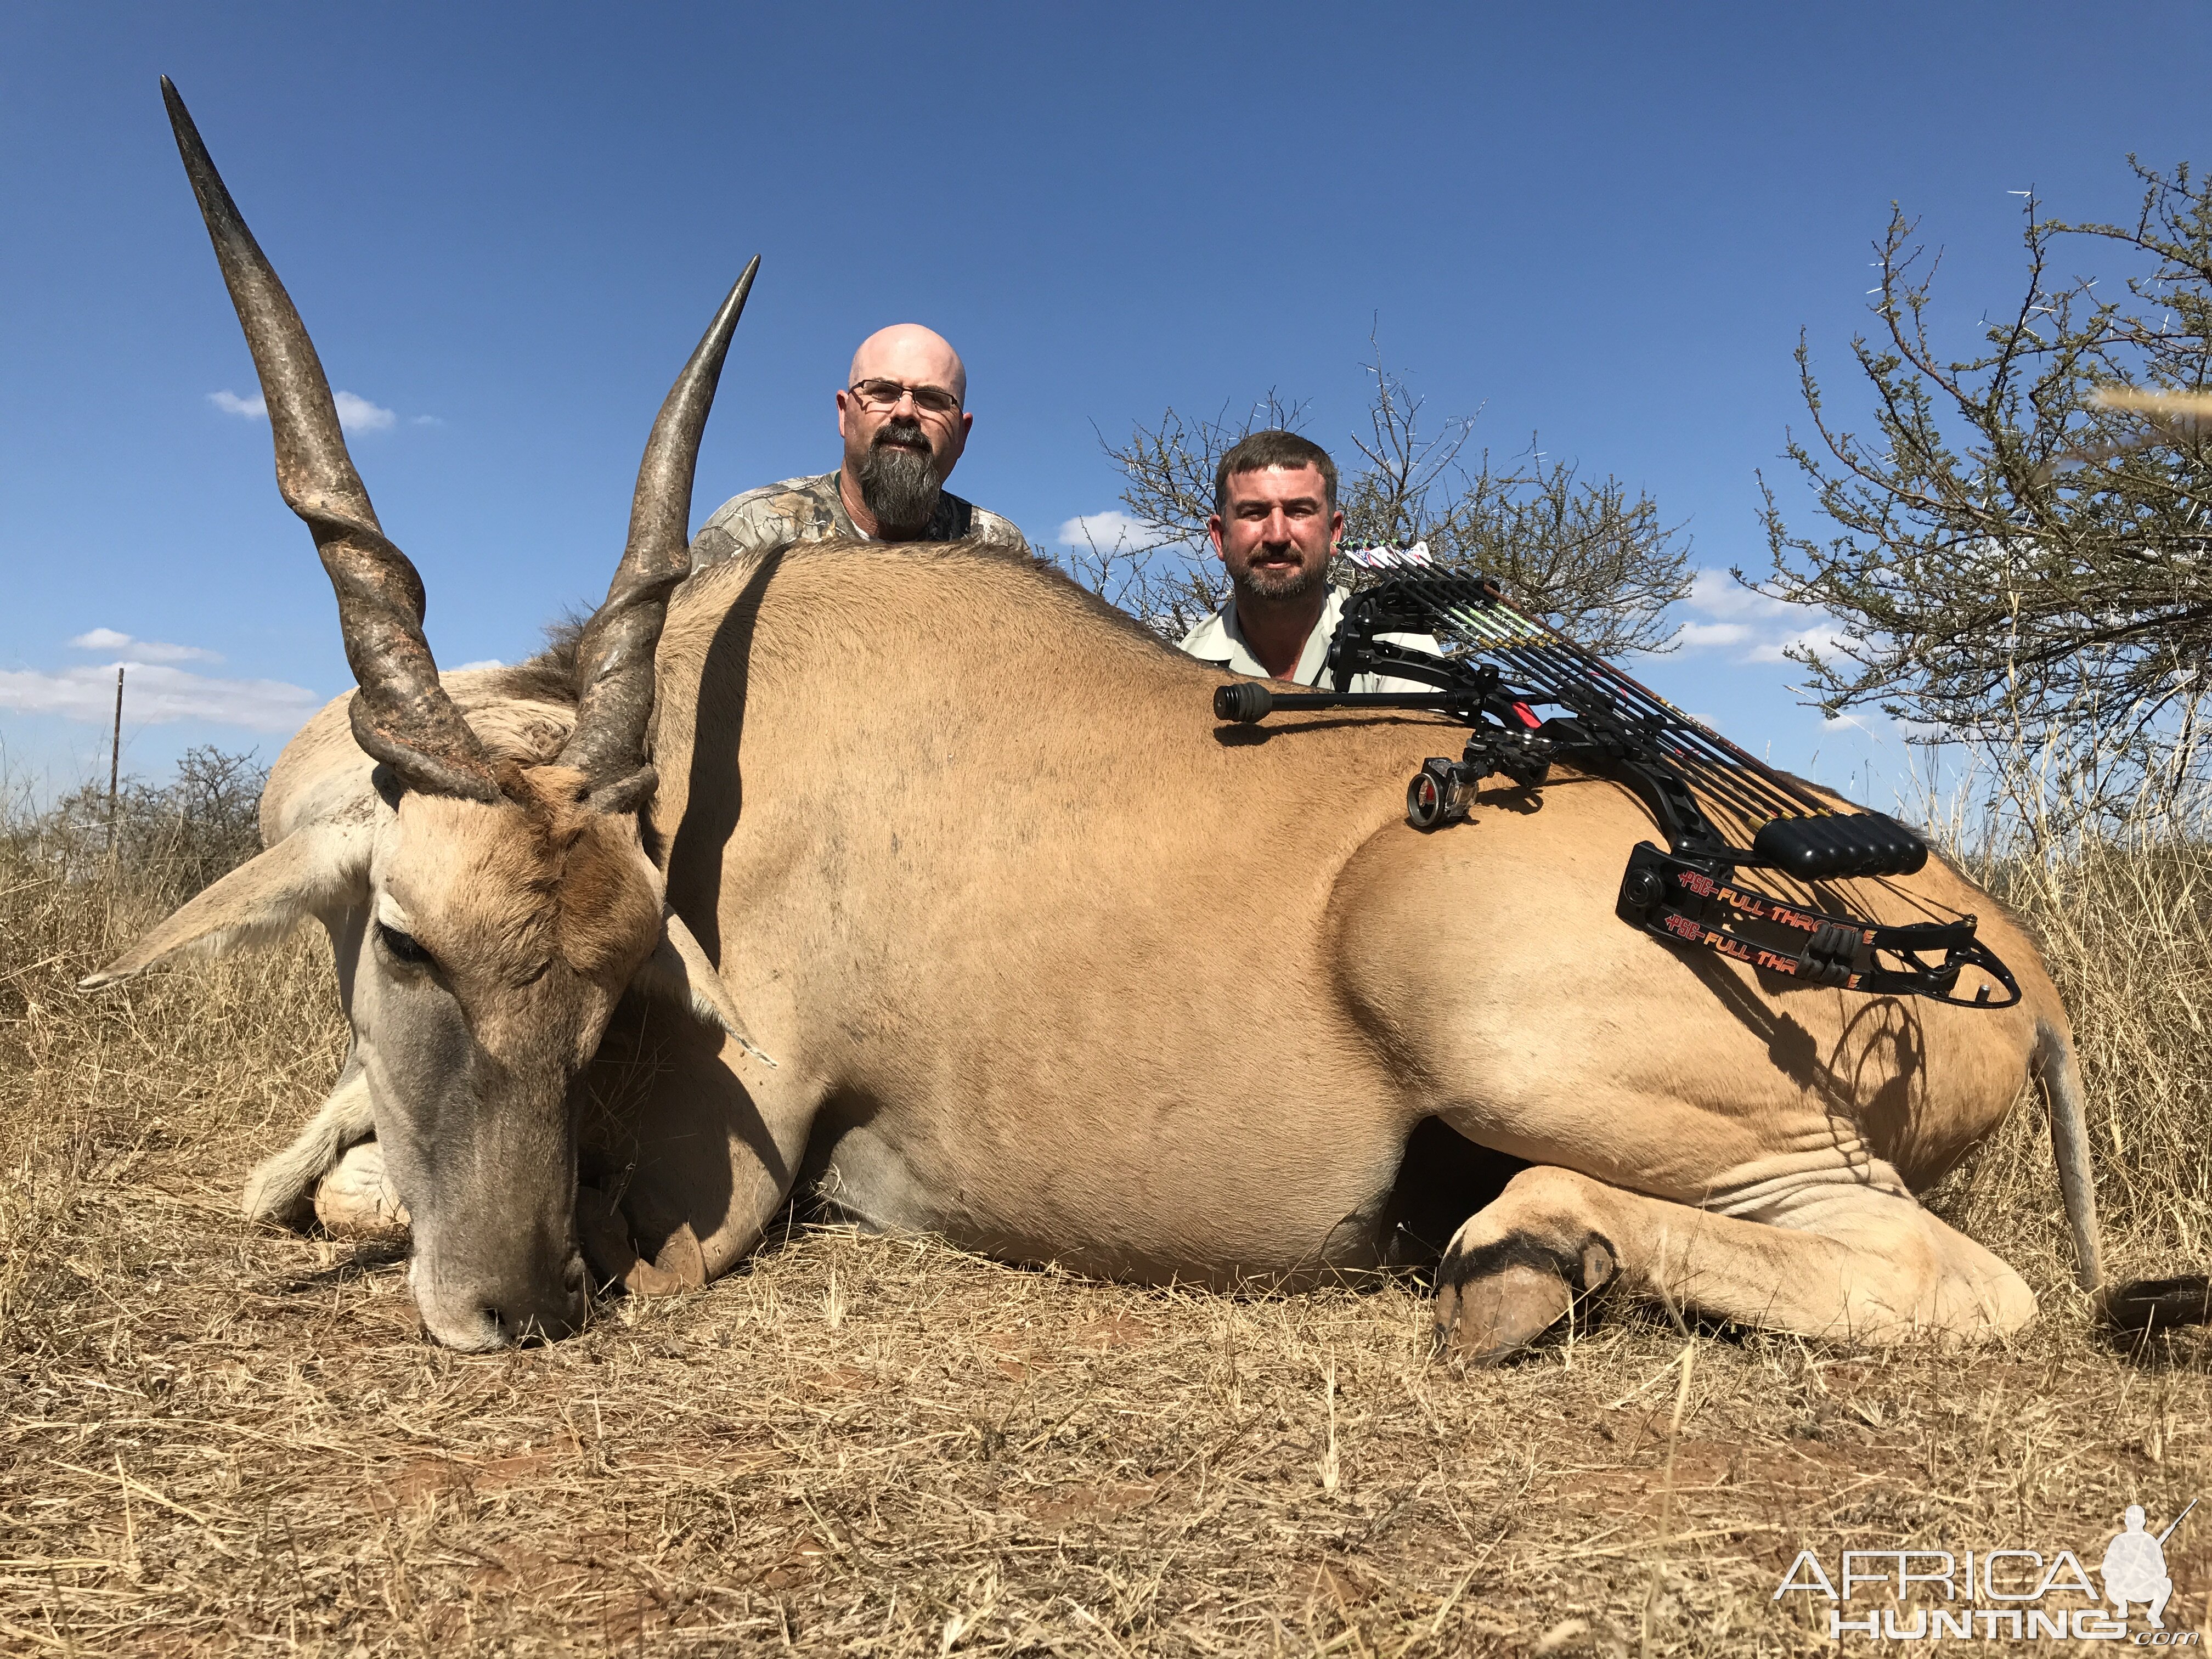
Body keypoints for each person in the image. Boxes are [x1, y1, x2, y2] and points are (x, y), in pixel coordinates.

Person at [689, 323, 1025, 571]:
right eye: (882, 391)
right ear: (844, 413)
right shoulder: (752, 534)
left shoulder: (1000, 552)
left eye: (932, 399)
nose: (905, 412)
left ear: (963, 434)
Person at [1177, 430, 1438, 690]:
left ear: (1334, 533)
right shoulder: (1183, 667)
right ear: (1220, 537)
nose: (1277, 535)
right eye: (1254, 513)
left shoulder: (1396, 640)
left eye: (1299, 511)